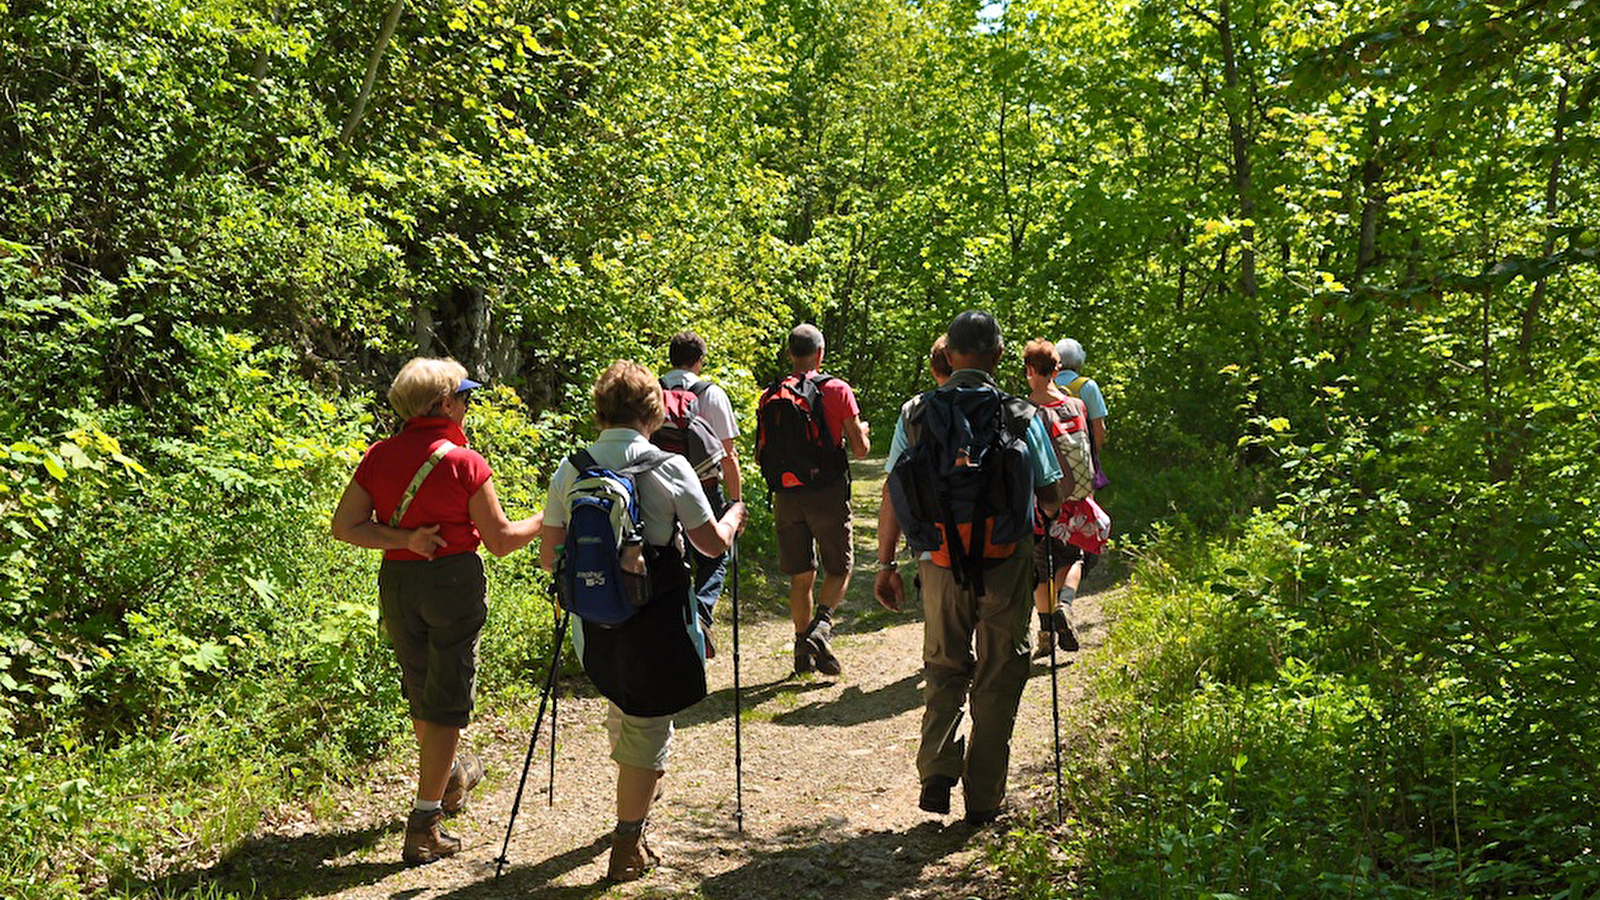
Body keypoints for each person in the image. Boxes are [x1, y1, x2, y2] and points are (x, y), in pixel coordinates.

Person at [540, 361, 748, 882]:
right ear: (654, 413)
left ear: (600, 411)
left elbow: (549, 557)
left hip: (593, 619)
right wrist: (734, 517)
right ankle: (627, 842)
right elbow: (710, 545)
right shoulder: (669, 466)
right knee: (649, 720)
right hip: (655, 616)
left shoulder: (571, 468)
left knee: (626, 705)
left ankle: (635, 797)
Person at [331, 358, 543, 865]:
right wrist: (548, 517)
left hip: (399, 584)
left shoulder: (379, 456)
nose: (468, 405)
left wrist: (404, 539)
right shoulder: (464, 463)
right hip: (452, 584)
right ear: (444, 404)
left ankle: (446, 780)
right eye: (464, 397)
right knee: (446, 703)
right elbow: (500, 541)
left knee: (422, 688)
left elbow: (345, 526)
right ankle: (425, 822)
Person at [874, 312, 1065, 825]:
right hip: (1005, 561)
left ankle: (937, 769)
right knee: (1000, 672)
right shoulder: (1022, 414)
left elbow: (894, 491)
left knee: (944, 664)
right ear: (999, 356)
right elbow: (1050, 498)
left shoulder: (916, 412)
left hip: (938, 559)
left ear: (949, 355)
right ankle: (983, 798)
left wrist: (886, 563)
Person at [758, 324, 870, 676]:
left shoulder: (770, 394)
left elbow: (762, 452)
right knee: (839, 568)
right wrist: (862, 432)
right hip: (826, 492)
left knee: (801, 574)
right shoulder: (836, 389)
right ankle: (820, 629)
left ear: (790, 354)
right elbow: (860, 449)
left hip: (786, 493)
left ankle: (801, 652)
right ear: (820, 353)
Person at [660, 331, 742, 658]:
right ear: (700, 360)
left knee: (667, 554)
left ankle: (673, 619)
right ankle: (701, 615)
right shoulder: (711, 393)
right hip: (703, 487)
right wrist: (735, 503)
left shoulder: (651, 391)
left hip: (658, 486)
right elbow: (728, 455)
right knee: (716, 555)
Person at [1023, 339, 1097, 657]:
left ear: (1029, 370)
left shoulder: (1024, 411)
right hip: (1075, 497)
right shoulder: (1076, 406)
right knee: (1073, 557)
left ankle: (1045, 635)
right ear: (1057, 369)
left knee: (1041, 565)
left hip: (1040, 499)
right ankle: (1064, 605)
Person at [1053, 338, 1108, 487]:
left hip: (1053, 459)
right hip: (1082, 458)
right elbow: (1099, 428)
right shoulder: (1088, 386)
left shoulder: (1047, 386)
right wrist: (1091, 456)